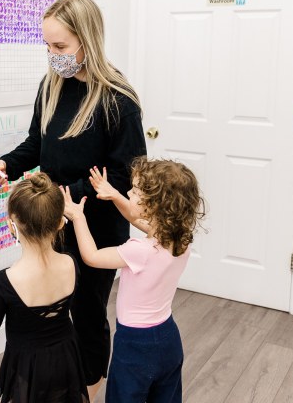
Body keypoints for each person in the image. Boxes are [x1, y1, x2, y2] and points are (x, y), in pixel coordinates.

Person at [0, 0, 146, 398]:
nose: (52, 56)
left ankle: (90, 390)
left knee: (89, 314)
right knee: (51, 315)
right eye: (47, 46)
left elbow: (123, 176)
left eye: (60, 47)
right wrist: (7, 164)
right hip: (54, 220)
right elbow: (36, 147)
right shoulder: (52, 85)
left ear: (87, 41)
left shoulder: (118, 101)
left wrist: (64, 197)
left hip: (98, 229)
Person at [62, 158, 206, 403]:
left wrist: (77, 217)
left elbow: (92, 256)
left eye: (135, 191)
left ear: (153, 206)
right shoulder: (181, 240)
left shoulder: (138, 250)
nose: (129, 192)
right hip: (168, 338)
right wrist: (115, 195)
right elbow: (136, 217)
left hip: (135, 346)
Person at [0, 172, 89, 403]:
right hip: (66, 356)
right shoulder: (70, 263)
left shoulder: (6, 280)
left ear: (11, 225)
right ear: (60, 221)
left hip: (27, 365)